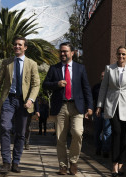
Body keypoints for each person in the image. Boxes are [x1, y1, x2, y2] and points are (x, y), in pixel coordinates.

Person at [42, 42, 93, 175]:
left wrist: (90, 106)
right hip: (61, 106)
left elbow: (86, 88)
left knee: (77, 133)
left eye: (65, 51)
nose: (63, 54)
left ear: (72, 53)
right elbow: (45, 85)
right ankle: (63, 166)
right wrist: (56, 84)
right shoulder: (54, 68)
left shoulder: (80, 68)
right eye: (61, 51)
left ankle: (74, 160)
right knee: (60, 138)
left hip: (77, 106)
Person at [0, 37, 40, 174]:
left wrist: (31, 99)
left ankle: (16, 162)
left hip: (24, 102)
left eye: (20, 45)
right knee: (5, 127)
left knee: (21, 133)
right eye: (15, 44)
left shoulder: (32, 64)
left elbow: (36, 84)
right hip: (8, 99)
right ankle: (6, 162)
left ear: (25, 47)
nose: (17, 46)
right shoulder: (7, 63)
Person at [96, 45, 126, 177]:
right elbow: (103, 88)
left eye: (123, 54)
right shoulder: (109, 69)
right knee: (116, 132)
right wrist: (99, 106)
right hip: (112, 105)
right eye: (119, 54)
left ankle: (121, 164)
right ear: (116, 55)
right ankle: (114, 166)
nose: (121, 56)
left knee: (124, 137)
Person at [92, 71, 111, 158]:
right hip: (98, 113)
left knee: (107, 132)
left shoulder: (111, 88)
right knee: (97, 132)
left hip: (108, 112)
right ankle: (98, 148)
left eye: (105, 76)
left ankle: (106, 150)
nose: (103, 77)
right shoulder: (96, 87)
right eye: (102, 76)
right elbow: (91, 99)